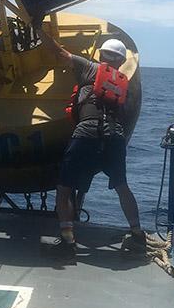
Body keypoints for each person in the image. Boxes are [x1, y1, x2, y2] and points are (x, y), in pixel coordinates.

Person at [39, 22, 146, 256]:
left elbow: (58, 52)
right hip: (114, 136)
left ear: (99, 55)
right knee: (121, 186)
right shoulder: (122, 81)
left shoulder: (88, 67)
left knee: (64, 188)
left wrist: (38, 29)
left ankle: (68, 241)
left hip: (86, 133)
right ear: (120, 61)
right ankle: (138, 235)